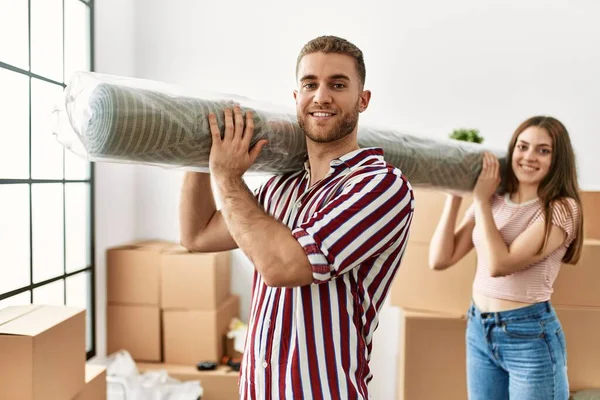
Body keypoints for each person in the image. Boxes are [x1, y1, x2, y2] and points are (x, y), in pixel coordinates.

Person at [179, 35, 414, 399]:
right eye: (310, 84)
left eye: (337, 84)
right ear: (296, 98)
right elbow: (196, 235)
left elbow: (282, 267)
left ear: (362, 100)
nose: (321, 96)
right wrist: (200, 152)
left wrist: (226, 177)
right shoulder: (280, 187)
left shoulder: (381, 186)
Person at [429, 116, 584, 399]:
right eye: (522, 147)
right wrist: (454, 196)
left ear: (558, 158)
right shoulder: (493, 200)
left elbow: (501, 264)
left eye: (543, 150)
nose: (529, 157)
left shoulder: (560, 209)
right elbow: (440, 259)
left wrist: (479, 202)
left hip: (529, 336)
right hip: (479, 328)